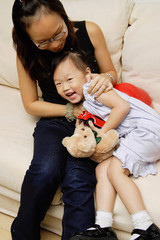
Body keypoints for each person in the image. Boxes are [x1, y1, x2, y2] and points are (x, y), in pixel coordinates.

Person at [11, 0, 117, 240]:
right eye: (43, 42)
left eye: (59, 33)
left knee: (78, 180)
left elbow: (111, 72)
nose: (56, 44)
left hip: (92, 121)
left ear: (63, 15)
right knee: (45, 171)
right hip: (56, 120)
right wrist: (71, 110)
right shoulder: (26, 52)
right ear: (29, 38)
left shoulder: (90, 31)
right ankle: (22, 234)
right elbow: (31, 104)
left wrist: (105, 78)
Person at [52, 51, 160, 240]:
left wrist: (102, 134)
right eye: (58, 84)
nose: (65, 87)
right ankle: (103, 226)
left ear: (87, 74)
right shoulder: (87, 102)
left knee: (115, 171)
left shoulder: (93, 88)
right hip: (137, 134)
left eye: (69, 79)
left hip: (147, 131)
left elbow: (122, 107)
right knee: (102, 169)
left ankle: (146, 227)